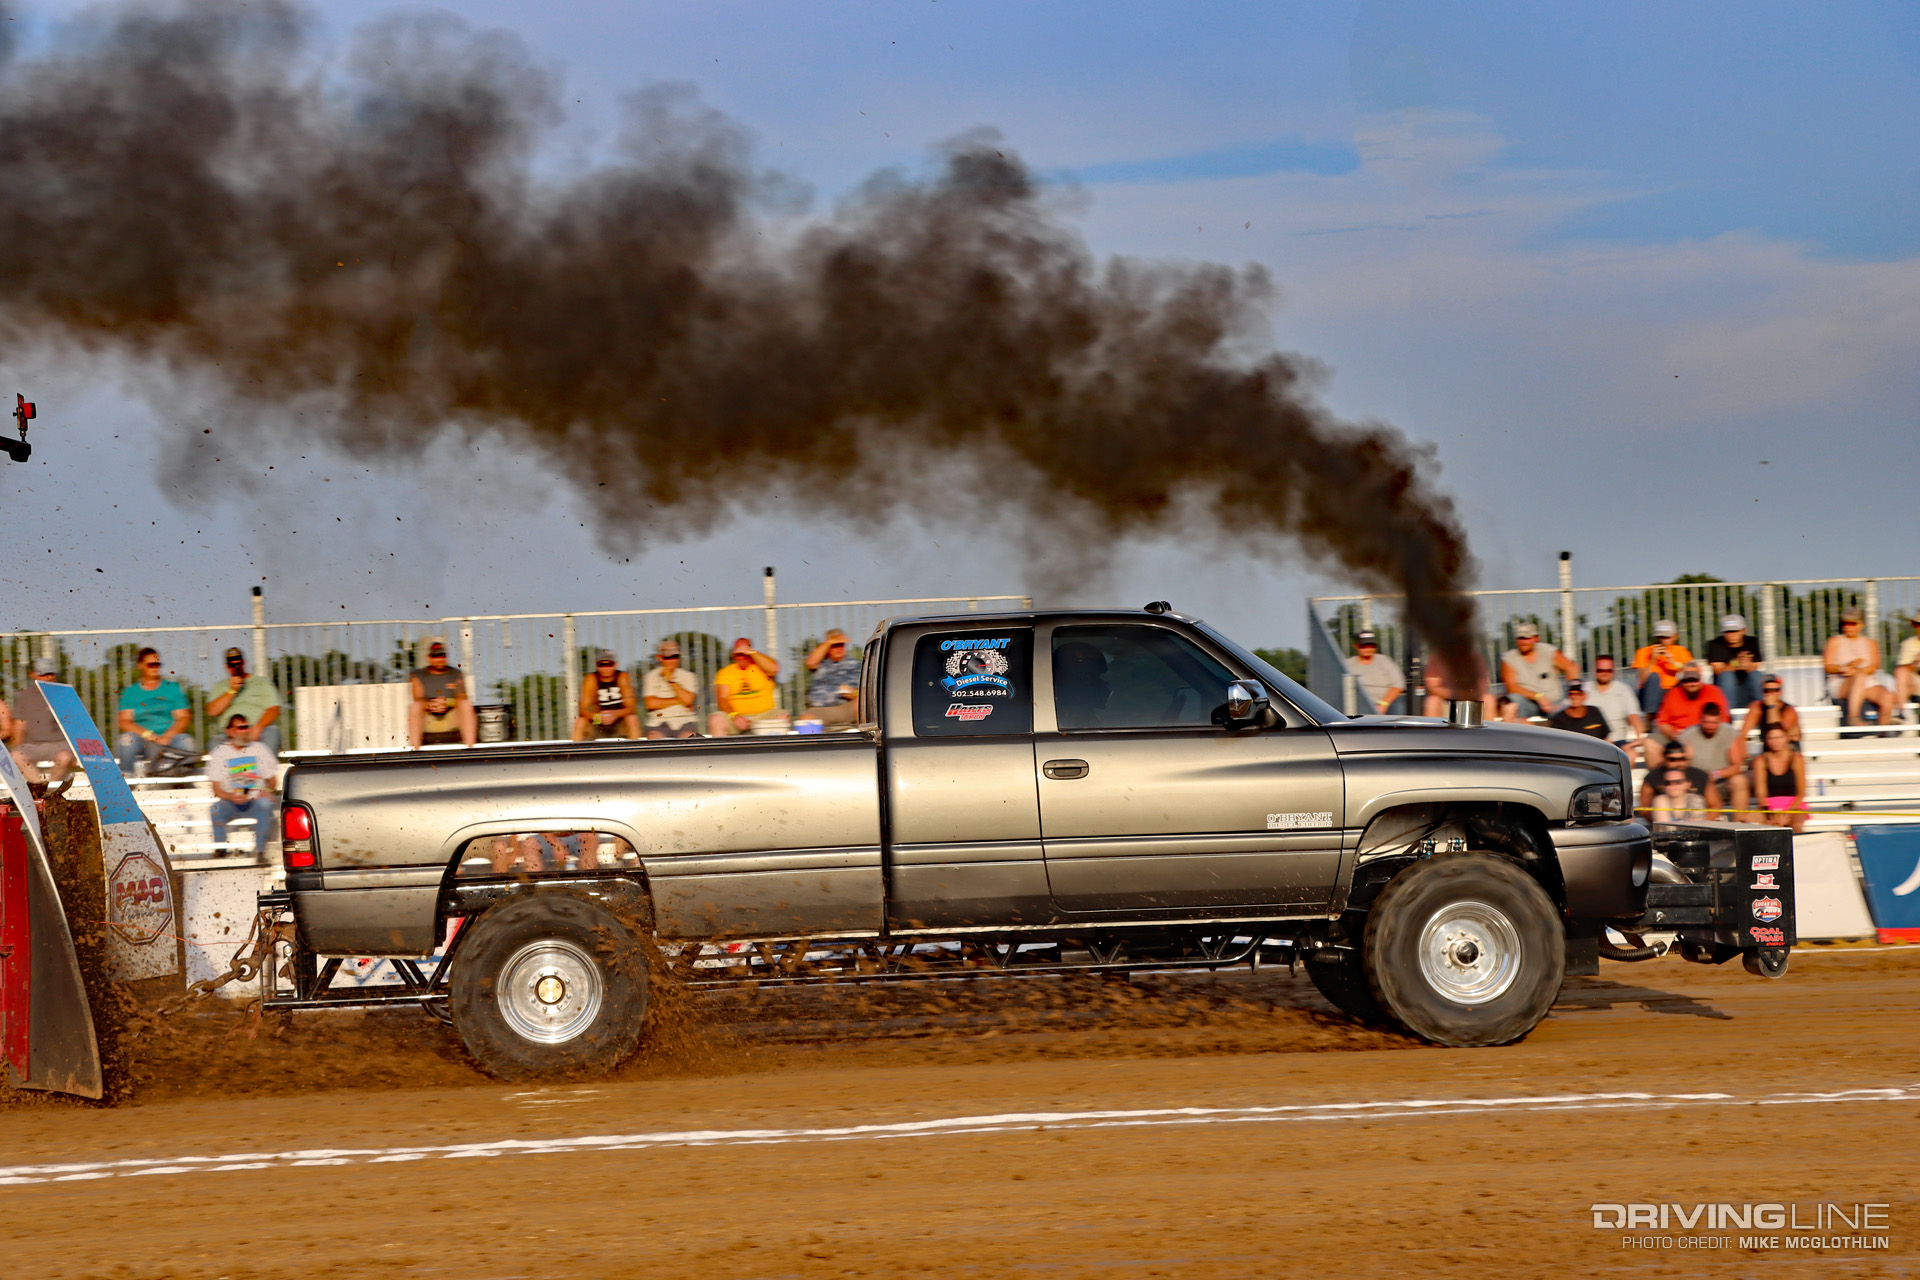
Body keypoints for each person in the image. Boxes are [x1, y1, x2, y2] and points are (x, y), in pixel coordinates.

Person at [115, 647, 197, 774]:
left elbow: (184, 717)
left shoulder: (172, 688)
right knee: (126, 739)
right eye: (151, 664)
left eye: (157, 664)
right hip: (142, 739)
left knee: (187, 742)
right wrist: (149, 736)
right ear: (141, 666)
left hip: (170, 738)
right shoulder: (131, 692)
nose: (155, 667)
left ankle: (185, 783)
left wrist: (167, 736)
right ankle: (127, 782)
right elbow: (124, 721)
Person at [205, 714, 278, 855]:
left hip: (255, 800)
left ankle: (260, 851)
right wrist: (231, 796)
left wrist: (264, 791)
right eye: (241, 728)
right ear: (230, 731)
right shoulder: (220, 752)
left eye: (248, 727)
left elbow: (272, 781)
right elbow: (216, 788)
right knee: (215, 808)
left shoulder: (260, 748)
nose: (246, 731)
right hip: (231, 801)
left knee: (265, 804)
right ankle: (220, 849)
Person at [6, 658, 76, 784]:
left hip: (60, 744)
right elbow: (19, 726)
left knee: (65, 758)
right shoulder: (25, 696)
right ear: (33, 675)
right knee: (15, 756)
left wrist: (79, 753)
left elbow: (75, 725)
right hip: (32, 745)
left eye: (50, 674)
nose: (47, 678)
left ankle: (51, 791)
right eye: (43, 674)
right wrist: (15, 747)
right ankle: (41, 788)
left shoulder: (65, 694)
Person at [1823, 607, 1895, 726]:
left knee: (1887, 696)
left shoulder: (1871, 643)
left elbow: (1874, 667)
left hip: (1866, 683)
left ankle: (1884, 732)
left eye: (1851, 623)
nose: (1847, 626)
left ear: (1861, 625)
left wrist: (1857, 670)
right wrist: (1842, 669)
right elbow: (1827, 666)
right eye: (1844, 623)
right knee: (1860, 677)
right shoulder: (1834, 641)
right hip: (1841, 684)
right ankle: (1853, 717)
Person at [204, 647, 284, 753]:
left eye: (239, 663)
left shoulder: (262, 682)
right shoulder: (220, 686)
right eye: (232, 665)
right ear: (227, 667)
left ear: (244, 663)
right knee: (214, 743)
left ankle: (264, 769)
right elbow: (212, 711)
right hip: (231, 735)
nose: (236, 667)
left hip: (256, 730)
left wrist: (258, 728)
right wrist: (232, 691)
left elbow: (273, 709)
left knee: (272, 733)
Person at [1679, 702, 1749, 819]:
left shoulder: (1729, 733)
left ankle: (1739, 822)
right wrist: (1689, 760)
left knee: (1740, 781)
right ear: (1701, 719)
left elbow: (1737, 766)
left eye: (1714, 723)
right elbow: (1680, 766)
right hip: (1698, 785)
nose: (1711, 726)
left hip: (1721, 783)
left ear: (1720, 721)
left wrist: (1715, 774)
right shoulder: (1688, 736)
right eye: (1707, 722)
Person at [1499, 623, 1578, 718]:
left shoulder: (1549, 652)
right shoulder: (1509, 659)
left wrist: (1573, 692)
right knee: (1514, 700)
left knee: (1569, 711)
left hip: (1555, 703)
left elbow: (1571, 667)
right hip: (1529, 705)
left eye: (1527, 638)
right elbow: (1511, 687)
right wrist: (1538, 696)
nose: (1523, 642)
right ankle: (1519, 729)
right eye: (1520, 638)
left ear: (1536, 638)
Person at [709, 637, 782, 736]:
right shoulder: (725, 672)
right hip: (736, 717)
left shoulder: (762, 668)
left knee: (782, 716)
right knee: (716, 719)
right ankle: (722, 751)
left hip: (764, 716)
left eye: (745, 653)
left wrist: (753, 653)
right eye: (739, 654)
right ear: (733, 655)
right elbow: (722, 699)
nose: (742, 657)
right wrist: (735, 716)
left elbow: (774, 668)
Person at [410, 640, 477, 747]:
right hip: (429, 717)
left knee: (465, 704)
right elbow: (418, 698)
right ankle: (415, 750)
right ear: (429, 657)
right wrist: (431, 705)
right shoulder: (418, 675)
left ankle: (470, 748)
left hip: (451, 717)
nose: (440, 659)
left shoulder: (455, 673)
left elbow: (462, 697)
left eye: (442, 655)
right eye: (435, 656)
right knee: (416, 706)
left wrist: (446, 703)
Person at [1586, 655, 1648, 762]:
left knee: (1631, 755)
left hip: (1617, 741)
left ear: (1613, 672)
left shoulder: (1624, 690)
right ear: (1594, 671)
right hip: (1590, 740)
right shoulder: (1584, 689)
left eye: (1608, 670)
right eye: (1600, 670)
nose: (1605, 673)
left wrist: (1639, 736)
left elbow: (1633, 715)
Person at [1750, 724, 1808, 833]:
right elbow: (1760, 793)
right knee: (1747, 820)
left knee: (1796, 825)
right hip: (1769, 806)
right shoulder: (1760, 760)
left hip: (1794, 805)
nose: (1775, 741)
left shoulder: (1796, 758)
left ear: (1787, 738)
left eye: (1779, 737)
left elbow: (1801, 792)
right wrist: (1770, 815)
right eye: (1771, 738)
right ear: (1766, 740)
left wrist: (1788, 813)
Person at [1654, 664, 1729, 746]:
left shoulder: (1715, 692)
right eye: (1688, 681)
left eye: (1695, 680)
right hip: (1678, 739)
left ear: (1701, 680)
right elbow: (1662, 723)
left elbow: (1724, 720)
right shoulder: (1671, 695)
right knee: (1650, 742)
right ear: (1682, 681)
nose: (1692, 684)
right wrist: (1673, 735)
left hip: (1706, 736)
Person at [573, 650, 639, 741]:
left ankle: (634, 751)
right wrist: (598, 716)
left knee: (632, 719)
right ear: (597, 666)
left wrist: (615, 714)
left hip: (619, 719)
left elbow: (632, 708)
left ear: (615, 664)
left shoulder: (622, 677)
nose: (606, 668)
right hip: (598, 720)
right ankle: (576, 752)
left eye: (609, 664)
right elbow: (582, 710)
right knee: (580, 722)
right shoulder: (591, 679)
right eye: (602, 665)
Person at [802, 629, 863, 726]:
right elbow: (810, 662)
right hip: (821, 710)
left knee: (862, 703)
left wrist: (853, 693)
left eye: (841, 645)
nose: (839, 648)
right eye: (834, 645)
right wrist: (830, 641)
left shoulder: (854, 664)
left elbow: (865, 691)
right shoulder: (820, 663)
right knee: (806, 720)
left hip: (846, 708)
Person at [1632, 620, 1693, 717]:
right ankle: (1650, 716)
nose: (1663, 640)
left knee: (1688, 679)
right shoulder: (1643, 652)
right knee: (1654, 677)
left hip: (1672, 691)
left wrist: (1671, 661)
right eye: (1660, 637)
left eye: (1666, 637)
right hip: (1650, 693)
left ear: (1675, 636)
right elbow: (1642, 680)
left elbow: (1691, 670)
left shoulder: (1680, 651)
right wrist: (1652, 660)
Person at [1705, 614, 1765, 711]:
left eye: (1735, 631)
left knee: (1756, 675)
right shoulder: (1715, 644)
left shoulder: (1752, 642)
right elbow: (1718, 671)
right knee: (1727, 676)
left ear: (1744, 630)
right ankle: (1727, 714)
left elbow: (1755, 667)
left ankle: (1762, 712)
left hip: (1746, 688)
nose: (1731, 635)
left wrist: (1747, 666)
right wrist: (1735, 663)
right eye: (1728, 632)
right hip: (1724, 690)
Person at [642, 640, 701, 739]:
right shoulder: (650, 676)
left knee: (689, 737)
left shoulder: (689, 676)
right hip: (658, 723)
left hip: (685, 721)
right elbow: (650, 703)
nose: (672, 660)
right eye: (667, 657)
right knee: (654, 737)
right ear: (659, 658)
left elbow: (688, 700)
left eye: (675, 656)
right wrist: (679, 700)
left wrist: (671, 680)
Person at [1640, 741, 1713, 816]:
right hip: (1664, 821)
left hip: (1698, 821)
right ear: (1664, 759)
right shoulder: (1652, 778)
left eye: (1682, 759)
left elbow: (1714, 806)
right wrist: (1658, 822)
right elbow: (1645, 809)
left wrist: (1703, 824)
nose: (1678, 763)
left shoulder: (1700, 776)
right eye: (1672, 759)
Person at [1346, 630, 1406, 715]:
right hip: (1358, 704)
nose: (1368, 648)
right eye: (1363, 645)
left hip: (1385, 703)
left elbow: (1398, 684)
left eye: (1371, 645)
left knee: (1399, 705)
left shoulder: (1384, 661)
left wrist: (1384, 704)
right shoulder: (1348, 664)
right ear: (1356, 646)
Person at [1421, 648, 1492, 718]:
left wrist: (1468, 694)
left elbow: (1483, 684)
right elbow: (1432, 687)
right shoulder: (1437, 658)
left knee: (1488, 700)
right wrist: (1456, 694)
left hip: (1472, 700)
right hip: (1446, 702)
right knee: (1432, 702)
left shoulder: (1474, 657)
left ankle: (1491, 729)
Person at [1743, 677, 1802, 751]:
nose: (1771, 694)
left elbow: (1776, 733)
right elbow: (1743, 733)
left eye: (1775, 690)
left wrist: (1772, 706)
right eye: (1767, 691)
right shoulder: (1757, 707)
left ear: (1780, 692)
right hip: (1769, 748)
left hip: (1789, 749)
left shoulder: (1789, 711)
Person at [1894, 610, 1920, 722]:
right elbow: (1903, 669)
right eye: (1918, 624)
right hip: (1915, 684)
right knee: (1901, 672)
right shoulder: (1908, 644)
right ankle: (1903, 713)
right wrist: (1915, 663)